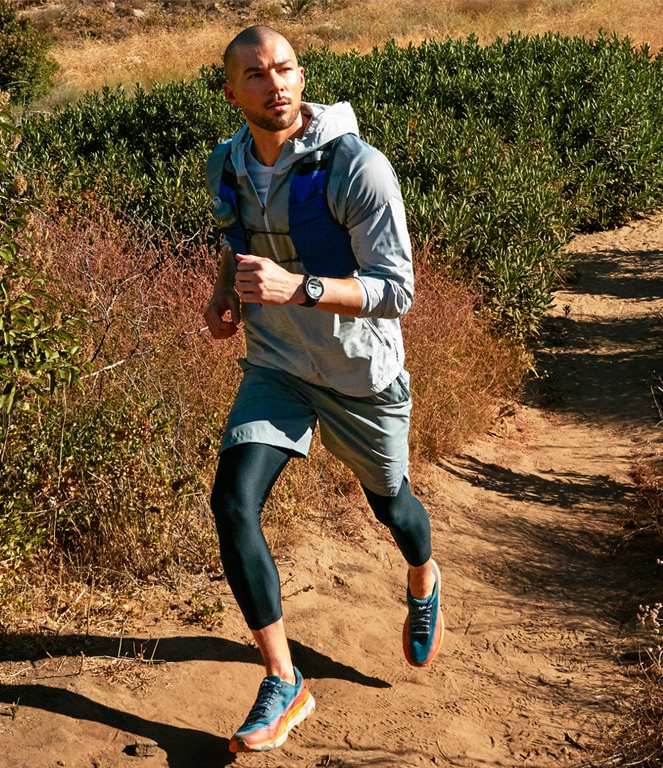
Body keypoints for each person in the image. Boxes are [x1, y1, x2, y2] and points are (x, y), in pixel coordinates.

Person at [203, 25, 443, 754]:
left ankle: (425, 578)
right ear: (231, 91)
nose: (274, 84)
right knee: (231, 500)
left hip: (360, 377)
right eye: (255, 74)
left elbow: (397, 290)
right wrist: (224, 297)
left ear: (302, 78)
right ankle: (284, 678)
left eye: (284, 69)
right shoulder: (228, 164)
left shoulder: (358, 168)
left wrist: (297, 288)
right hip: (276, 367)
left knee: (393, 508)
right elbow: (235, 239)